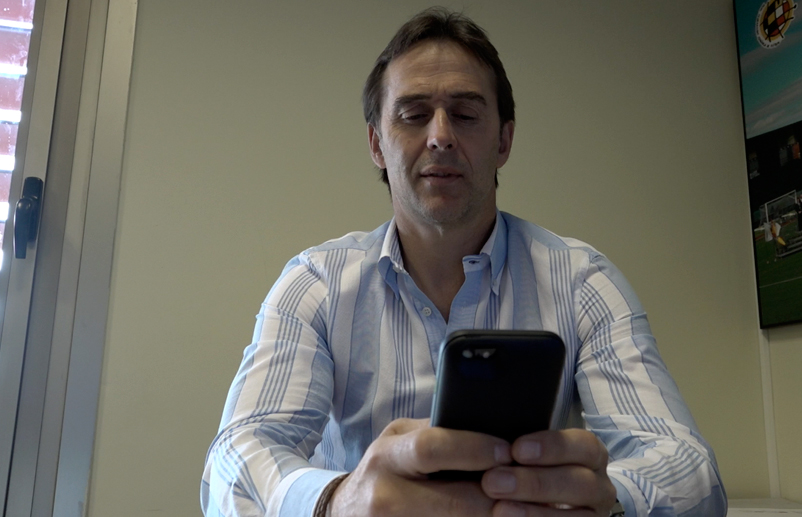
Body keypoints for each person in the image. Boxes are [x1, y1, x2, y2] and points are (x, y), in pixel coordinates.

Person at [201, 9, 725, 517]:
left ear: (504, 141)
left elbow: (690, 469)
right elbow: (235, 458)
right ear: (376, 144)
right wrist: (337, 502)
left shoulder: (583, 282)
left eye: (466, 114)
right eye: (413, 115)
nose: (441, 135)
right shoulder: (314, 284)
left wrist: (608, 501)